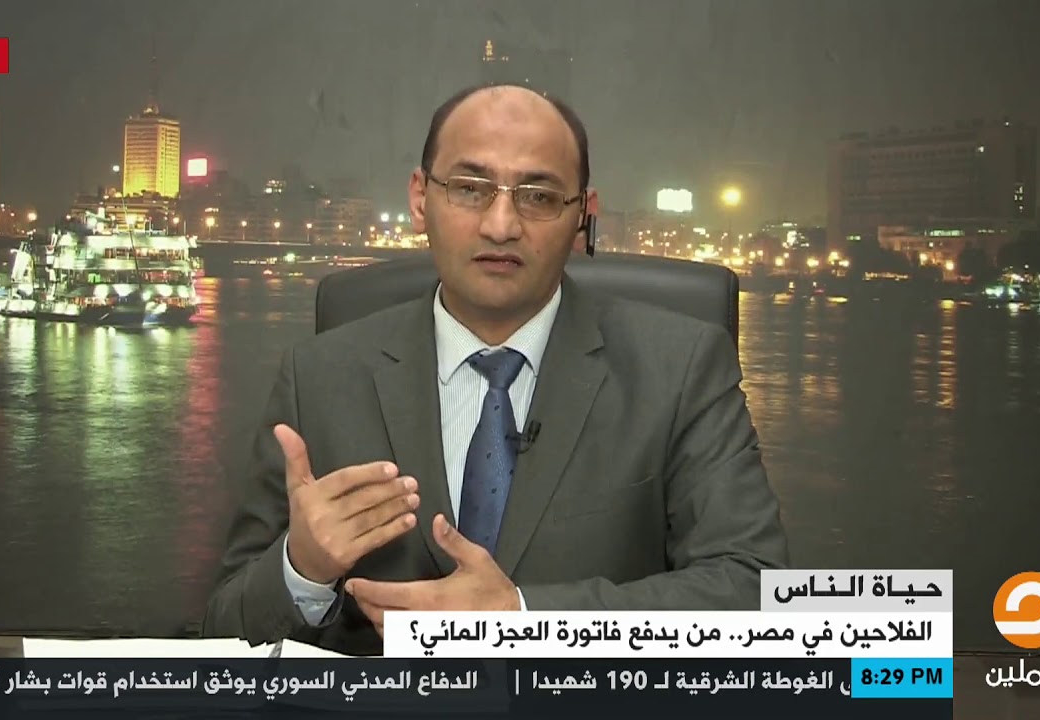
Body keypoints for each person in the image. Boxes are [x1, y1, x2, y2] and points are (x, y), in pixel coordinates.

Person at [203, 83, 789, 655]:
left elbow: (756, 591)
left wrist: (522, 620)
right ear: (420, 198)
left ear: (582, 217)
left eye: (539, 196)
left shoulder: (682, 368)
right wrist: (302, 570)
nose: (501, 225)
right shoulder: (317, 377)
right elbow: (220, 628)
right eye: (469, 188)